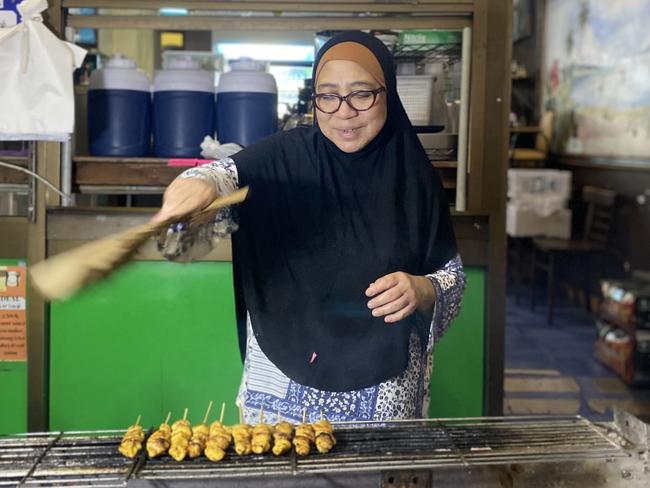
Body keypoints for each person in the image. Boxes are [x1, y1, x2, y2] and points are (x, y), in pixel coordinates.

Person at [153, 31, 466, 423]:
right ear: (314, 99)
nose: (344, 111)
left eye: (362, 94)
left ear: (388, 93)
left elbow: (450, 276)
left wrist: (424, 290)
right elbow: (223, 174)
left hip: (383, 386)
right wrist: (193, 186)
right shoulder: (283, 157)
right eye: (328, 95)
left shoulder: (416, 178)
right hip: (281, 382)